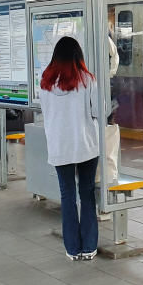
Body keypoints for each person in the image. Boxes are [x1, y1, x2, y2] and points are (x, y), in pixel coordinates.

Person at [37, 36, 100, 261]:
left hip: (59, 146)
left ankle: (72, 249)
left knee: (67, 196)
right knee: (87, 193)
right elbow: (97, 112)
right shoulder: (87, 79)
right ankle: (89, 246)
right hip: (86, 145)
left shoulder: (45, 81)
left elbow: (45, 111)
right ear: (77, 55)